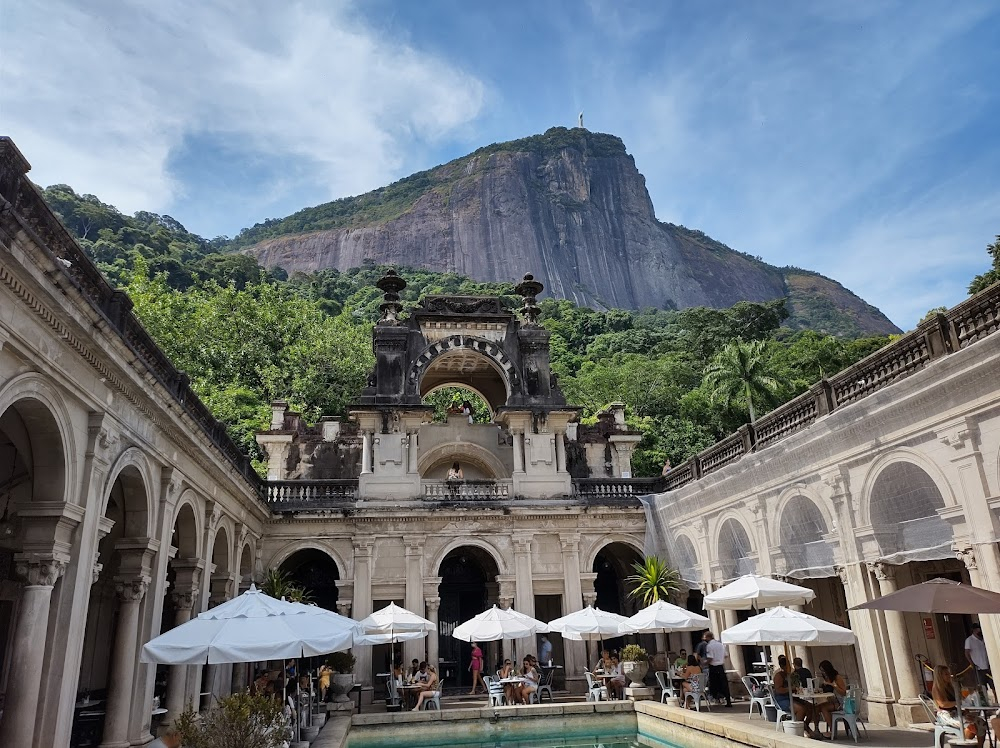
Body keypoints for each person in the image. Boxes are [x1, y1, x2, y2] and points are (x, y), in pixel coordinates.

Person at [933, 664, 985, 748]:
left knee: (980, 722)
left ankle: (979, 746)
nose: (949, 676)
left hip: (956, 712)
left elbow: (961, 698)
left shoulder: (950, 686)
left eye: (948, 673)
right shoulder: (937, 688)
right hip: (945, 714)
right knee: (969, 725)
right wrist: (958, 702)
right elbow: (943, 704)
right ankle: (964, 745)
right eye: (946, 674)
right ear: (940, 676)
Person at [815, 660, 848, 739]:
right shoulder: (826, 678)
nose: (823, 673)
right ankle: (816, 729)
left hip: (841, 702)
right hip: (832, 701)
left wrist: (833, 685)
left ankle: (832, 730)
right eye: (821, 671)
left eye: (824, 670)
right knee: (816, 708)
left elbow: (844, 692)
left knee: (823, 708)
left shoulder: (837, 677)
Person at [703, 631, 732, 707]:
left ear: (708, 637)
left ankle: (716, 698)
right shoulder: (720, 645)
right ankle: (727, 700)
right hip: (721, 666)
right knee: (724, 684)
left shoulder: (709, 646)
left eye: (705, 637)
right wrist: (720, 658)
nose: (704, 639)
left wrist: (704, 663)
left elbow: (710, 658)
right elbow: (726, 655)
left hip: (713, 667)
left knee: (713, 684)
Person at [966, 626, 995, 696]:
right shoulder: (969, 640)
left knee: (993, 684)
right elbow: (967, 652)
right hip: (979, 667)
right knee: (982, 686)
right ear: (973, 630)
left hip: (988, 665)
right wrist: (971, 663)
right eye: (977, 630)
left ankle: (997, 699)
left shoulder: (983, 638)